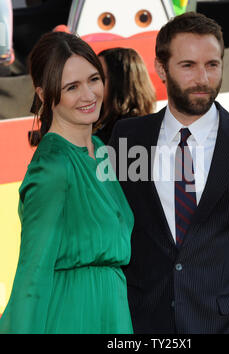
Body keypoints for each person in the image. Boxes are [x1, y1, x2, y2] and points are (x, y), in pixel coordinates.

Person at [108, 12, 229, 334]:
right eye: (188, 65)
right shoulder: (128, 138)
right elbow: (114, 227)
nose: (203, 78)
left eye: (212, 64)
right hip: (144, 324)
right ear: (161, 69)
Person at [0, 31, 133, 334]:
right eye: (72, 87)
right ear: (45, 95)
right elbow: (32, 272)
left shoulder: (100, 150)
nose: (89, 95)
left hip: (112, 311)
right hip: (73, 316)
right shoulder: (53, 165)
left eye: (93, 79)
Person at [94, 47, 156, 144]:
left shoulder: (133, 130)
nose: (91, 85)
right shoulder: (95, 117)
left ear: (120, 82)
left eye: (98, 78)